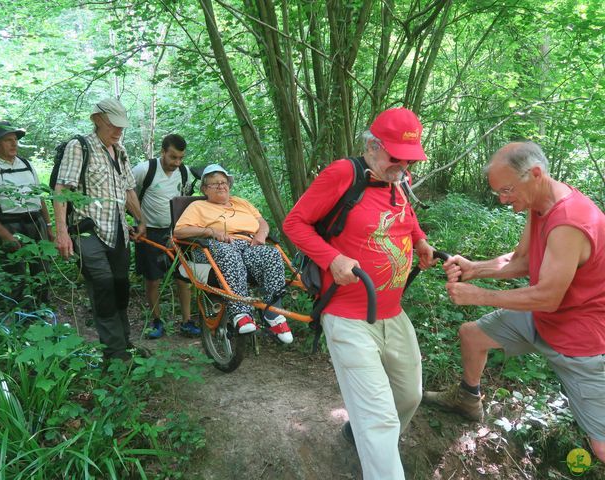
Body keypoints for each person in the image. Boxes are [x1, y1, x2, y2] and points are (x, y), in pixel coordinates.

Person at [423, 141, 605, 463]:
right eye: (498, 193)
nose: (504, 200)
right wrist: (474, 269)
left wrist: (479, 296)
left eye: (507, 190)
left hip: (580, 340)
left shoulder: (570, 222)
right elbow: (522, 260)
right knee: (472, 335)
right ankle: (468, 399)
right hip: (544, 319)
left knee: (601, 447)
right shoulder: (540, 205)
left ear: (535, 174)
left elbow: (548, 297)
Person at [283, 107, 435, 479]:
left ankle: (361, 435)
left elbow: (405, 216)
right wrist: (332, 258)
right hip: (347, 315)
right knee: (380, 418)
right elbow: (294, 223)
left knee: (409, 396)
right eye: (396, 157)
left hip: (392, 313)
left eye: (408, 159)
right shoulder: (342, 174)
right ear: (371, 146)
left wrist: (421, 241)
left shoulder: (395, 178)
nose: (402, 166)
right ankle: (377, 451)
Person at [53, 98, 147, 362]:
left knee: (121, 286)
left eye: (121, 126)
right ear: (97, 119)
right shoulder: (79, 146)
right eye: (112, 125)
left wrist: (141, 220)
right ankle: (115, 356)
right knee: (103, 285)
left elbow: (128, 190)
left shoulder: (121, 150)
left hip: (117, 231)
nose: (118, 131)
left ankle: (124, 344)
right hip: (88, 231)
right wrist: (61, 233)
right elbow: (62, 189)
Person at [173, 164, 293, 344]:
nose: (221, 186)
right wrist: (210, 231)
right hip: (213, 247)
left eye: (224, 182)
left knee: (271, 254)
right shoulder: (198, 206)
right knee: (228, 253)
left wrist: (261, 235)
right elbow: (179, 231)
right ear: (205, 189)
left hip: (249, 243)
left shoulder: (241, 202)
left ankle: (273, 314)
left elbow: (262, 223)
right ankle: (240, 313)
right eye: (215, 184)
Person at [0, 121, 53, 307]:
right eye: (8, 140)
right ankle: (18, 318)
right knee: (14, 275)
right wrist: (5, 235)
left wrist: (48, 226)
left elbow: (38, 197)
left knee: (43, 271)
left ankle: (41, 312)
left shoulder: (26, 164)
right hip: (9, 224)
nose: (14, 144)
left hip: (36, 222)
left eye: (15, 139)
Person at [132, 134, 198, 338]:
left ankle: (187, 321)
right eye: (173, 157)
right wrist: (136, 222)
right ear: (162, 152)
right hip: (149, 231)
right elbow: (128, 195)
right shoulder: (145, 170)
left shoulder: (184, 173)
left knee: (184, 277)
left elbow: (186, 199)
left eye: (181, 158)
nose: (177, 162)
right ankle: (156, 321)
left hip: (177, 232)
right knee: (153, 279)